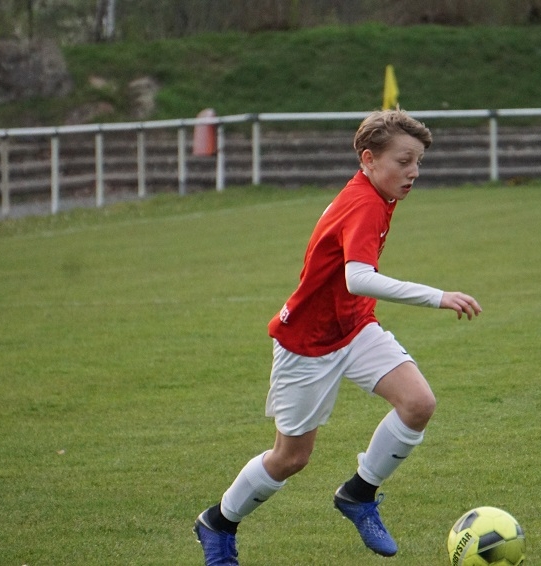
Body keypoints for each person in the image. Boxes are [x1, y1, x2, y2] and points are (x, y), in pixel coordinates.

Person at [194, 109, 482, 564]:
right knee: (290, 458)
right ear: (368, 159)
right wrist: (438, 296)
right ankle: (218, 522)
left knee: (418, 404)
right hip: (307, 342)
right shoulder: (364, 203)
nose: (414, 172)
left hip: (355, 326)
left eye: (418, 162)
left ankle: (358, 494)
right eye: (404, 161)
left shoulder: (378, 194)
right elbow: (358, 278)